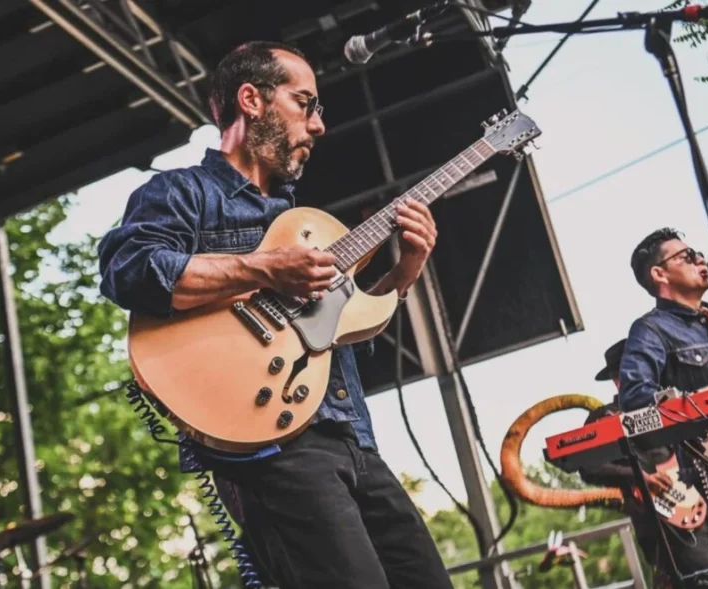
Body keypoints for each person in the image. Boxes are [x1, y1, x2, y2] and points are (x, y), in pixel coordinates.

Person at [98, 41, 452, 589]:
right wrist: (264, 269)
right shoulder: (183, 192)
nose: (318, 126)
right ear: (252, 99)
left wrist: (404, 272)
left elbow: (336, 333)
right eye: (306, 103)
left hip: (353, 439)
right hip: (274, 451)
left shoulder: (303, 222)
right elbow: (133, 270)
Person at [618, 227, 708, 587]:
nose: (701, 259)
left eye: (699, 253)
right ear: (659, 274)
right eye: (687, 256)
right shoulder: (651, 331)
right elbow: (636, 397)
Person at [579, 339, 676, 587]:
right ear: (617, 377)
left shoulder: (667, 403)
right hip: (655, 519)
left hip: (703, 509)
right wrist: (638, 477)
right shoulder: (604, 417)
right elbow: (589, 467)